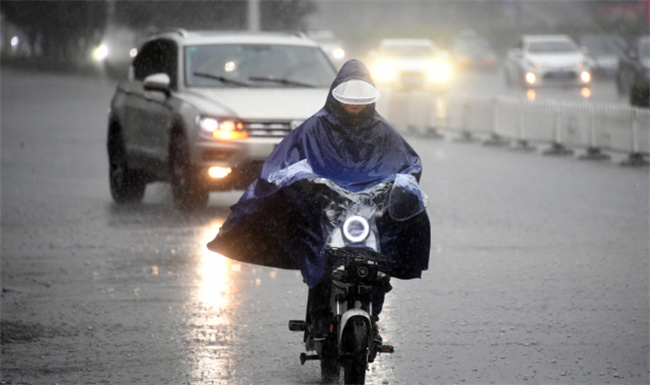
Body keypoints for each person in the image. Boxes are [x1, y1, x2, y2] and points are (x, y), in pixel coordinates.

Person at [208, 59, 430, 337]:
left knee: (379, 267)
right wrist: (302, 181)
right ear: (336, 96)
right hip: (325, 212)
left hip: (367, 215)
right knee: (322, 261)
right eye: (349, 101)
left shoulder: (383, 132)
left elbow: (408, 164)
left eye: (359, 101)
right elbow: (283, 163)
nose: (353, 107)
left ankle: (373, 317)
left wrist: (401, 183)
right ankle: (320, 319)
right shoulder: (315, 128)